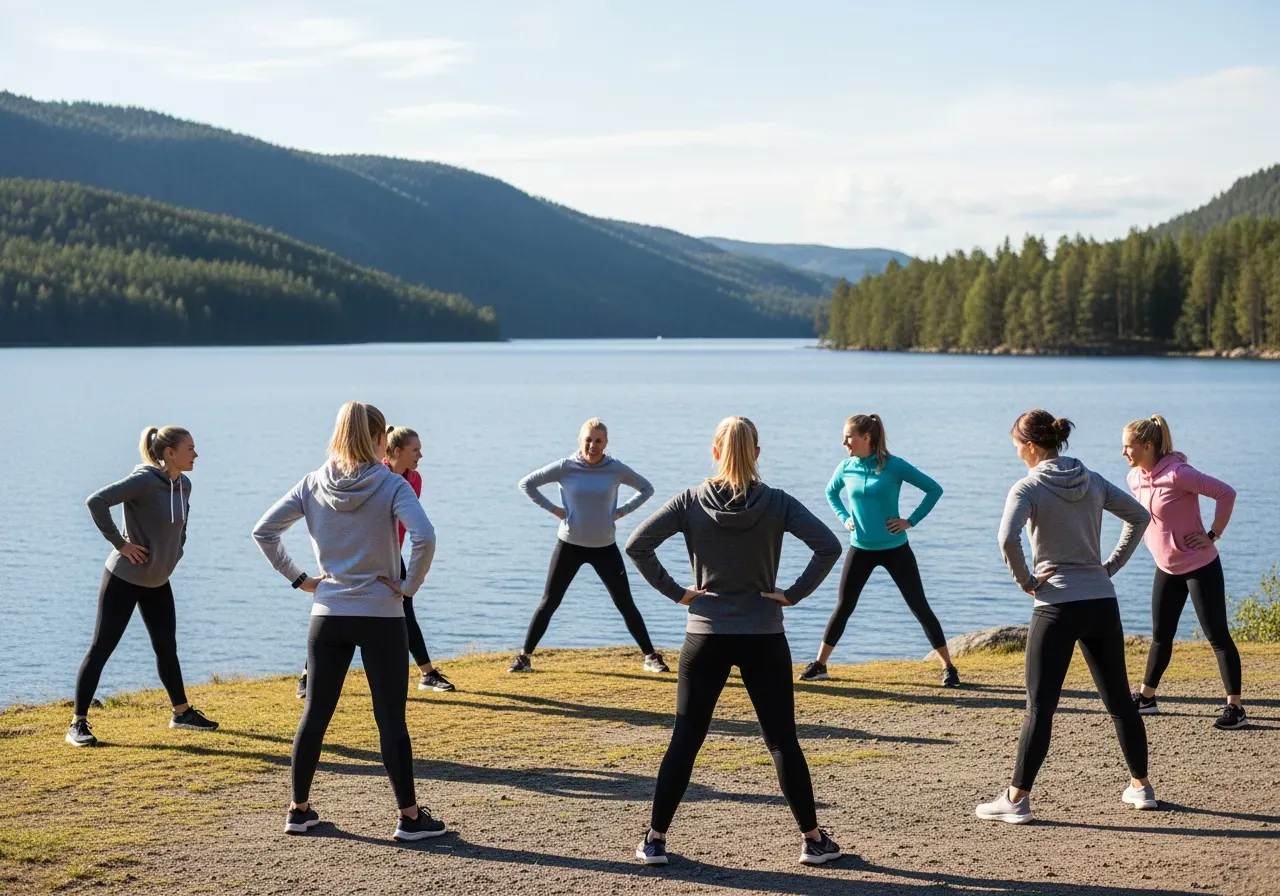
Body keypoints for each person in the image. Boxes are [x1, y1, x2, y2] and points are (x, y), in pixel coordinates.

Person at [625, 416, 844, 866]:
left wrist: (681, 593)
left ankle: (654, 840)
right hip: (764, 635)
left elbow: (637, 545)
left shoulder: (690, 500)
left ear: (715, 451)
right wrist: (792, 594)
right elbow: (828, 546)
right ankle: (814, 840)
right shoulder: (778, 502)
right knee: (782, 741)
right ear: (757, 454)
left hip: (705, 635)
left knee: (685, 738)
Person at [252, 401, 444, 841]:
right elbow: (425, 537)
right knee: (390, 719)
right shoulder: (392, 484)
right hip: (380, 614)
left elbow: (264, 531)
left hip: (328, 614)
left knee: (315, 714)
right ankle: (410, 818)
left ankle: (298, 810)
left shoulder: (313, 482)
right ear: (380, 438)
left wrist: (300, 578)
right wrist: (408, 584)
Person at [977, 409, 1155, 825]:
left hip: (1056, 605)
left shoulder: (1028, 486)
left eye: (1018, 447)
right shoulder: (1091, 478)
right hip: (1101, 602)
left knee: (1040, 707)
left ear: (1033, 447)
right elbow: (1140, 517)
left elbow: (1007, 538)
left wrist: (1026, 580)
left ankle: (1016, 799)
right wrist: (1108, 566)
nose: (1018, 454)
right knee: (1120, 703)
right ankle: (1141, 788)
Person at [67, 426, 218, 747]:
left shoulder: (184, 485)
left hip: (158, 581)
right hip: (124, 578)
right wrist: (120, 544)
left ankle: (181, 713)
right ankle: (77, 724)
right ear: (170, 453)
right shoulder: (145, 481)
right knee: (101, 649)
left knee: (167, 648)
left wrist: (176, 551)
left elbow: (181, 524)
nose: (196, 454)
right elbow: (96, 501)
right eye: (190, 448)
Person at [295, 425, 454, 699]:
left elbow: (410, 527)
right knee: (333, 615)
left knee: (406, 612)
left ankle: (427, 674)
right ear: (395, 451)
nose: (421, 455)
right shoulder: (374, 475)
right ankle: (308, 677)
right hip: (361, 555)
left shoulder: (413, 480)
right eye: (415, 450)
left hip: (392, 556)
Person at [804, 413, 957, 686]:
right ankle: (820, 665)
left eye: (848, 437)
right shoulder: (846, 467)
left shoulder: (894, 466)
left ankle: (948, 667)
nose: (844, 442)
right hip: (860, 548)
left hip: (895, 548)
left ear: (866, 437)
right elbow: (830, 493)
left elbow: (934, 489)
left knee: (919, 606)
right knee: (843, 607)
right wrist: (844, 518)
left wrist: (910, 521)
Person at [511, 418, 665, 674]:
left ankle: (651, 657)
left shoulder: (615, 469)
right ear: (580, 440)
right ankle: (524, 658)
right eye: (588, 440)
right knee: (549, 601)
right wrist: (556, 510)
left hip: (605, 547)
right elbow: (526, 483)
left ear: (605, 443)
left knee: (625, 602)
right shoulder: (565, 467)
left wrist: (621, 512)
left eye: (598, 441)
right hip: (569, 545)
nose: (592, 445)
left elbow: (646, 489)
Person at [1122, 415, 1244, 730]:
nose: (1124, 454)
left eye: (1128, 447)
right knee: (1161, 637)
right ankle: (1146, 698)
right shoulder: (1134, 478)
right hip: (1166, 567)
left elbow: (1226, 493)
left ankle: (1236, 708)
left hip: (1199, 565)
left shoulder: (1179, 474)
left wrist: (1213, 534)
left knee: (1218, 637)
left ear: (1148, 446)